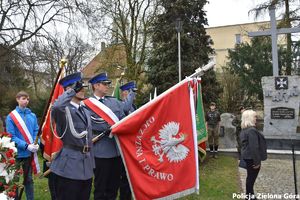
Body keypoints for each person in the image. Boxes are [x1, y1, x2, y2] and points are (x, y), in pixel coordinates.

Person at [88, 72, 135, 200]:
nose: (107, 86)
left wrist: (132, 93)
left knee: (113, 187)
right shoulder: (87, 104)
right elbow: (91, 124)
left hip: (116, 150)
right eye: (105, 84)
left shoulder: (113, 101)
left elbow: (125, 113)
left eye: (108, 84)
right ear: (96, 85)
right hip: (101, 150)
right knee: (101, 187)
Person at [50, 72, 95, 200]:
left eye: (82, 87)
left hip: (85, 166)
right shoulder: (63, 111)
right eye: (78, 87)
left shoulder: (85, 111)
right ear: (69, 89)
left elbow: (88, 140)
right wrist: (71, 92)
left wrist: (92, 166)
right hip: (69, 167)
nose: (82, 90)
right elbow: (57, 107)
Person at [6, 91, 39, 200]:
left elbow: (36, 131)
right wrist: (26, 146)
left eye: (27, 99)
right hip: (16, 154)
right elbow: (11, 136)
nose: (26, 101)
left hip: (28, 154)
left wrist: (36, 143)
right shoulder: (11, 117)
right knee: (14, 180)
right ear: (17, 99)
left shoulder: (32, 115)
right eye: (23, 98)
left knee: (28, 179)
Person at [240, 110, 267, 200]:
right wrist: (257, 162)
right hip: (252, 158)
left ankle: (249, 195)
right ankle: (249, 196)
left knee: (250, 178)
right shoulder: (251, 130)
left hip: (248, 157)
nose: (257, 118)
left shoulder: (245, 129)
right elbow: (254, 147)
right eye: (255, 117)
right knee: (251, 179)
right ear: (250, 118)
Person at [118, 81, 137, 200]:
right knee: (124, 178)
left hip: (132, 145)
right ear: (125, 93)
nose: (134, 95)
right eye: (132, 92)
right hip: (123, 147)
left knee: (131, 176)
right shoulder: (121, 106)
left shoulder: (133, 106)